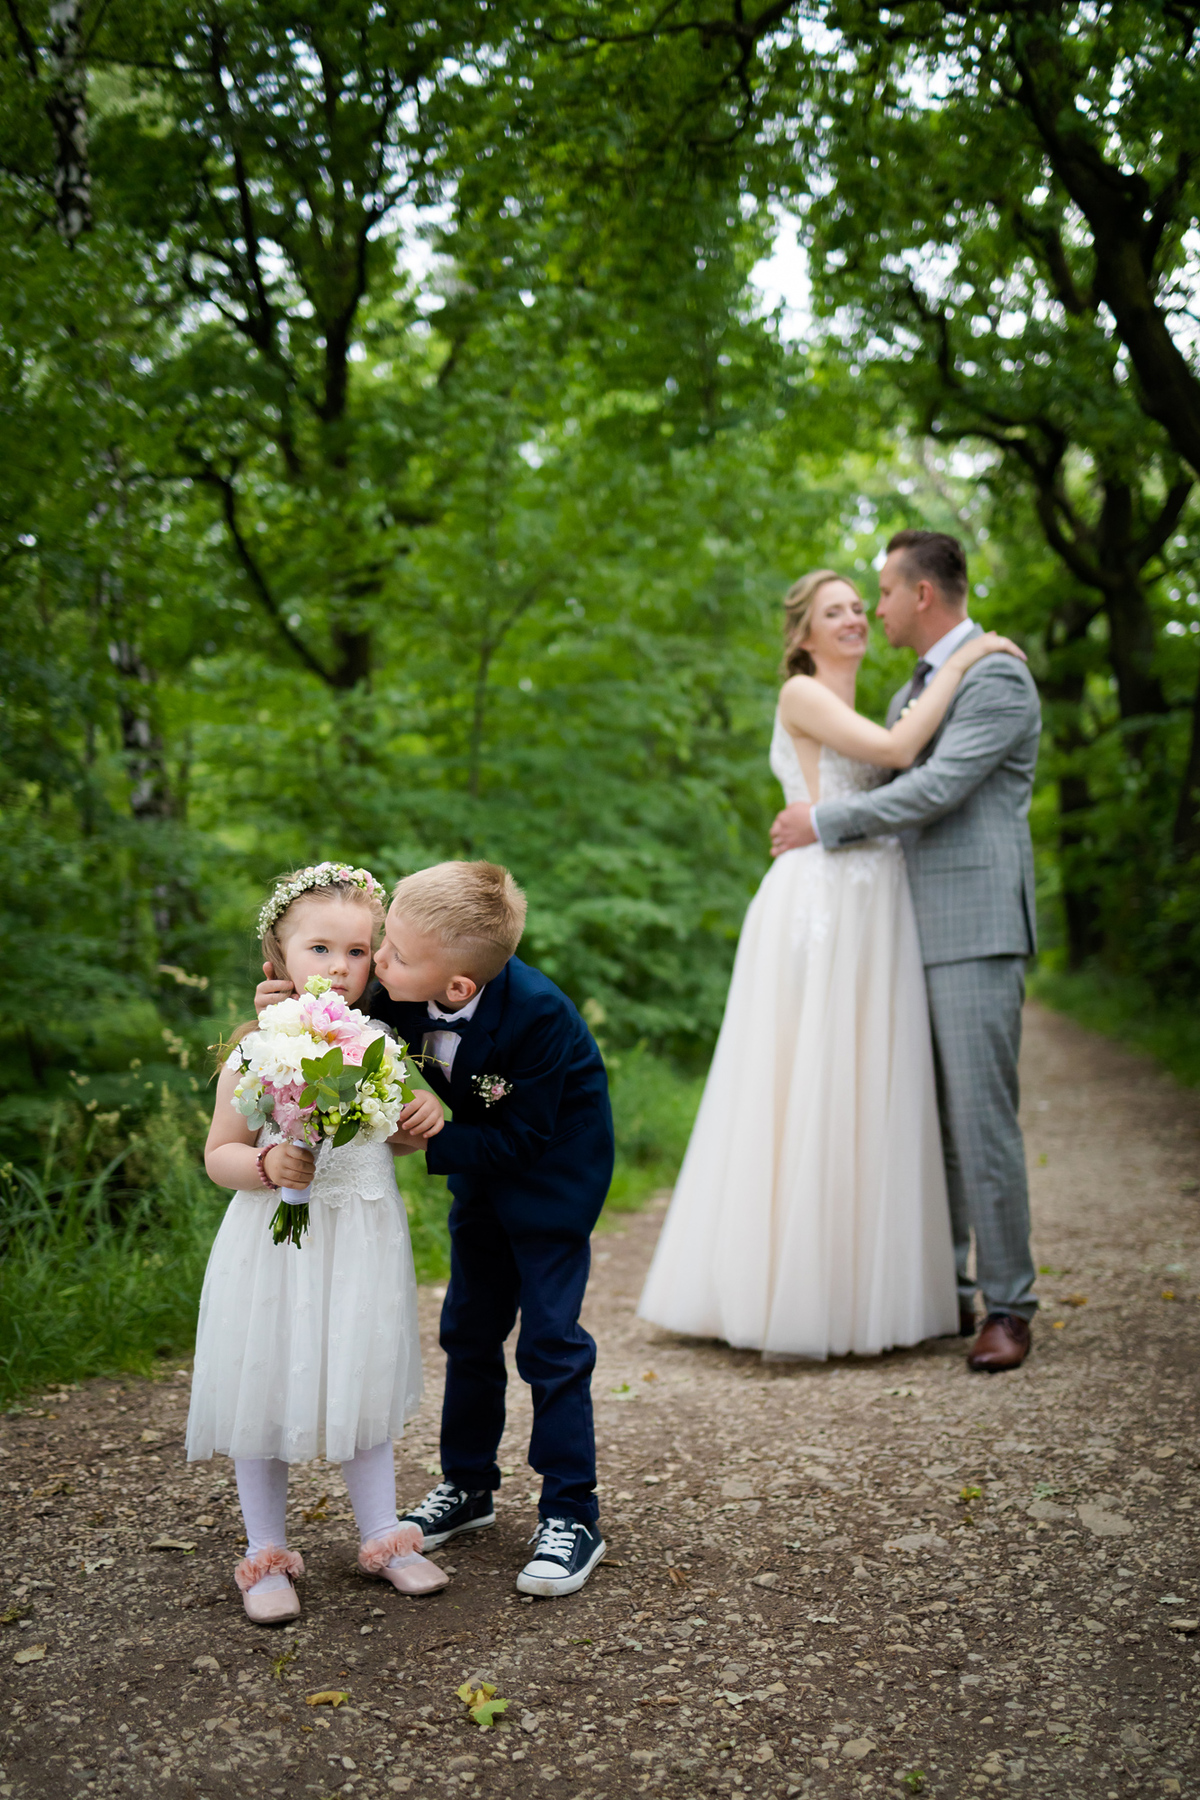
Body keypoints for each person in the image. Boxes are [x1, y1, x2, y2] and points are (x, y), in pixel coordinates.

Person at [639, 569, 1026, 1360]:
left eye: (862, 604)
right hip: (824, 903)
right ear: (802, 635)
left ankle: (876, 1289)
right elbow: (897, 755)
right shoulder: (805, 693)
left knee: (877, 1089)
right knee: (810, 1080)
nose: (858, 617)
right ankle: (794, 1286)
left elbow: (921, 780)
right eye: (836, 611)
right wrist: (968, 654)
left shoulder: (871, 700)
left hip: (880, 903)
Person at [255, 860, 616, 1598]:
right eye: (379, 948)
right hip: (482, 1174)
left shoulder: (540, 1016)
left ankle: (573, 1511)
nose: (377, 966)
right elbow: (339, 1012)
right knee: (469, 1329)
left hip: (552, 1176)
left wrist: (428, 1137)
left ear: (459, 987)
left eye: (390, 955)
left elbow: (524, 1139)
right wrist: (287, 999)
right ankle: (469, 1485)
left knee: (550, 1341)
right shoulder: (407, 982)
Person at [770, 531, 1042, 1373]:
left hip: (971, 926)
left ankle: (1010, 1305)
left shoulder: (995, 673)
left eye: (881, 593)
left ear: (921, 594)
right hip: (897, 925)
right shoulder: (908, 691)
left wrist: (825, 820)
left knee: (979, 1118)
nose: (873, 608)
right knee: (925, 1121)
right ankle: (946, 1287)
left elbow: (935, 787)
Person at [186, 861, 449, 1625]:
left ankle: (383, 1535)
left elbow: (386, 1137)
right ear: (278, 960)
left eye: (358, 952)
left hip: (361, 1237)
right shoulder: (257, 1049)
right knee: (264, 1378)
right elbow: (218, 1154)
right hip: (277, 1243)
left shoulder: (378, 1045)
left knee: (357, 1370)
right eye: (319, 950)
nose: (339, 968)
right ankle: (267, 1552)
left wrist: (415, 1122)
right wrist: (266, 1163)